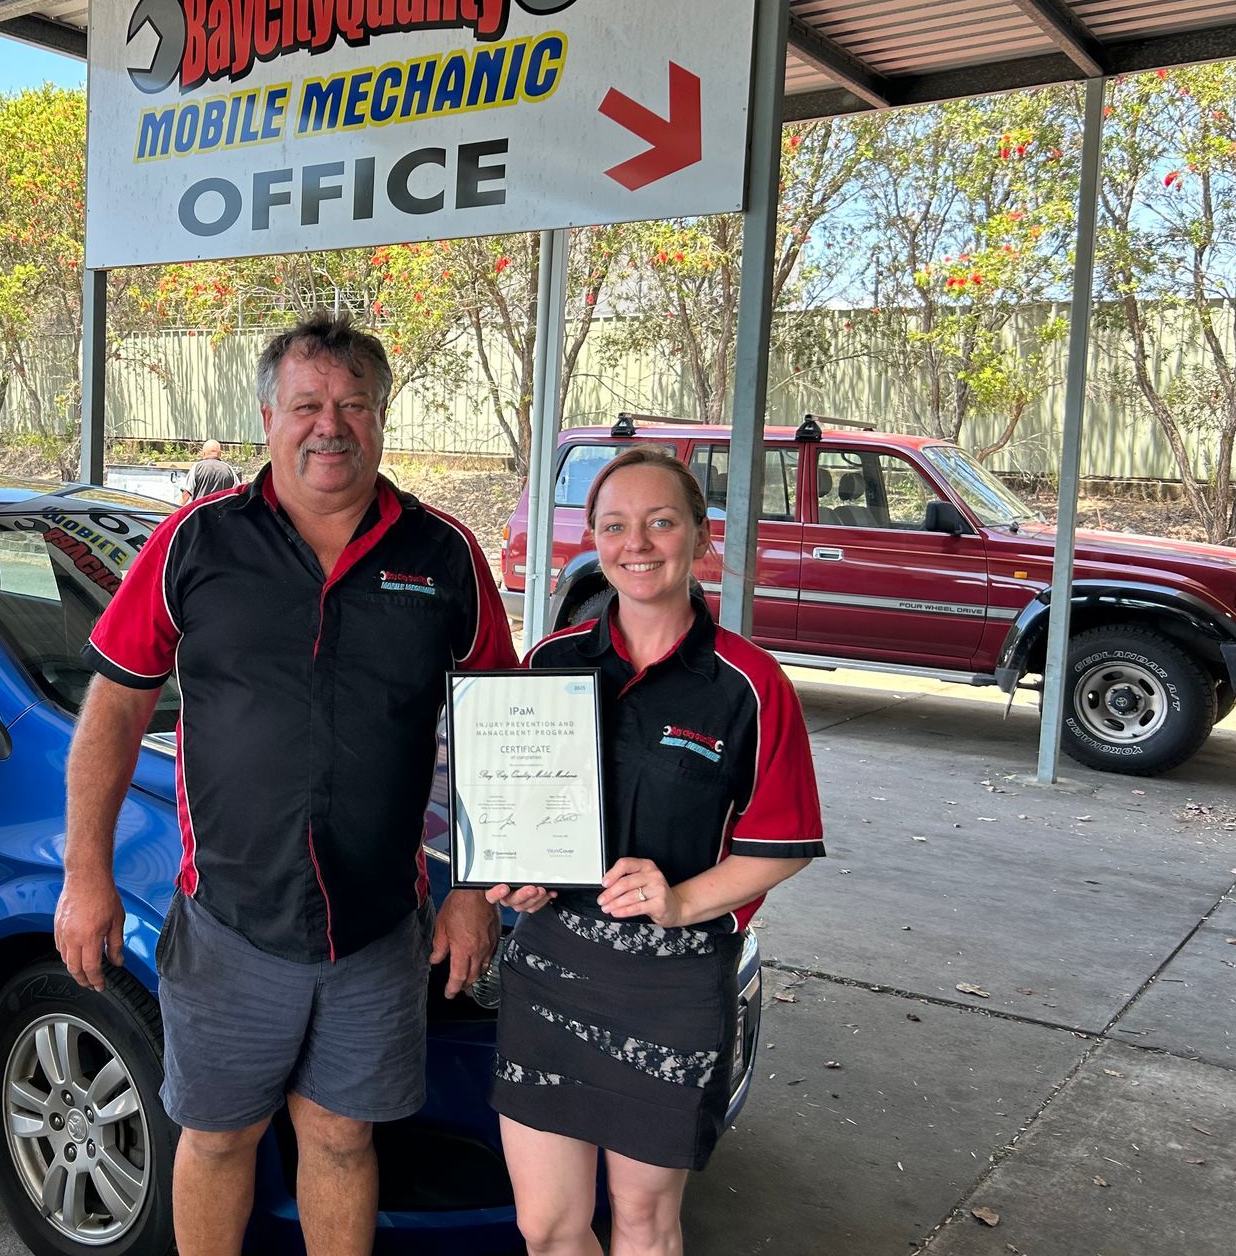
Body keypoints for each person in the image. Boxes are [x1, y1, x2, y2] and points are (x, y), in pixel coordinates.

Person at [57, 311, 517, 1256]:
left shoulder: (446, 558)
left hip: (379, 926)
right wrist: (85, 875)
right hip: (229, 922)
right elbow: (112, 711)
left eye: (353, 405)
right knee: (218, 1139)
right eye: (307, 404)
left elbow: (500, 734)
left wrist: (475, 889)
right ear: (269, 415)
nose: (329, 426)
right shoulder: (195, 545)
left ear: (382, 418)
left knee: (344, 1139)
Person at [486, 446, 824, 1256]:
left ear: (700, 538)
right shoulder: (549, 666)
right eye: (615, 526)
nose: (637, 543)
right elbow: (513, 819)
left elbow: (782, 843)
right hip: (551, 972)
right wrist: (517, 874)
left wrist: (680, 900)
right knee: (547, 1226)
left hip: (669, 986)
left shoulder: (747, 683)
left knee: (642, 1221)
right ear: (592, 541)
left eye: (661, 522)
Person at [181, 439, 241, 504]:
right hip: (221, 512)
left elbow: (186, 494)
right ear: (220, 454)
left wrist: (177, 510)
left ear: (203, 453)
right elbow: (238, 493)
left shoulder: (197, 468)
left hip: (201, 512)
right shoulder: (229, 469)